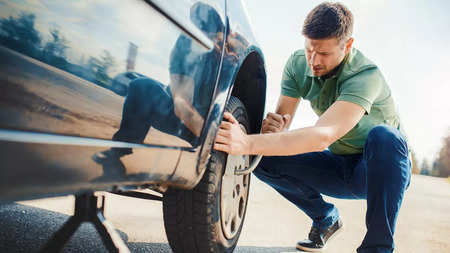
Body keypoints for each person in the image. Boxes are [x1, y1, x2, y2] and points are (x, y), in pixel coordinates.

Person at [213, 2, 411, 253]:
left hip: (378, 171)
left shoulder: (365, 76)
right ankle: (325, 218)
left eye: (324, 54)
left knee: (385, 137)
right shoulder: (298, 64)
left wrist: (246, 141)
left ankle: (378, 248)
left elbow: (322, 136)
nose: (314, 60)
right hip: (340, 167)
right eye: (309, 49)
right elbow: (282, 124)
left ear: (347, 45)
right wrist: (272, 132)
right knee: (262, 159)